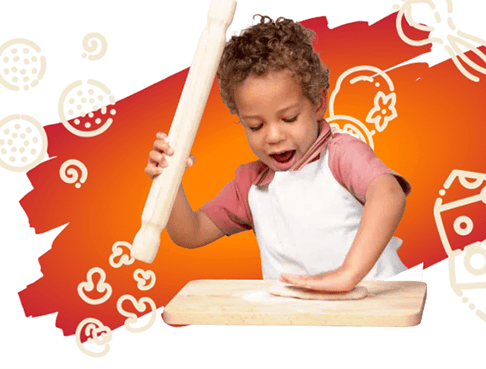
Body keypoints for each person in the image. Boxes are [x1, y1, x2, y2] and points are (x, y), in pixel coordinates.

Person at [145, 15, 411, 293]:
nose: (273, 136)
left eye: (289, 118)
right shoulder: (252, 184)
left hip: (375, 303)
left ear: (318, 104)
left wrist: (348, 274)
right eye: (255, 125)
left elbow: (388, 194)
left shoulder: (340, 155)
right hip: (300, 316)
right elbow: (191, 233)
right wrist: (169, 181)